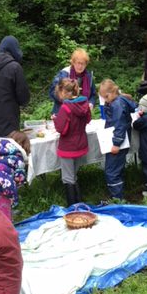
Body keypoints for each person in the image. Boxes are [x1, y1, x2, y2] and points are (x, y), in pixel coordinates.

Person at [53, 78, 92, 206]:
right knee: (73, 176)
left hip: (68, 147)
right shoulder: (84, 104)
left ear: (63, 92)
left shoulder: (65, 108)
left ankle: (72, 208)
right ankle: (79, 204)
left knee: (68, 178)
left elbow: (61, 129)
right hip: (81, 144)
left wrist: (55, 119)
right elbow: (87, 120)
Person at [98, 79, 136, 200]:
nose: (104, 100)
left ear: (113, 92)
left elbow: (119, 125)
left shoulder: (117, 104)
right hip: (117, 140)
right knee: (116, 169)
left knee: (112, 171)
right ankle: (117, 195)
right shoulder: (116, 101)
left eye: (106, 97)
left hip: (118, 143)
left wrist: (116, 143)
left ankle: (117, 198)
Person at [49, 48, 96, 116]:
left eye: (83, 64)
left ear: (86, 64)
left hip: (81, 114)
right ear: (73, 62)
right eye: (78, 63)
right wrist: (69, 101)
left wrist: (91, 103)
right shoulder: (64, 74)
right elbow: (52, 92)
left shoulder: (89, 77)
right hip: (62, 113)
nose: (80, 66)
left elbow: (93, 94)